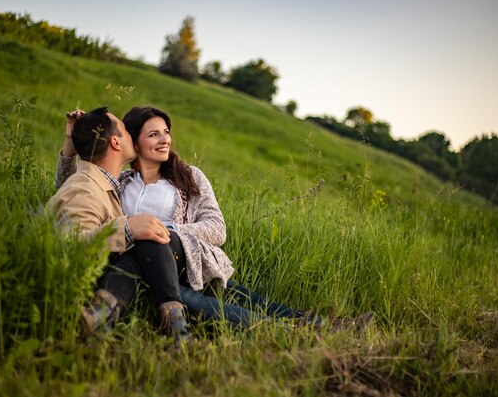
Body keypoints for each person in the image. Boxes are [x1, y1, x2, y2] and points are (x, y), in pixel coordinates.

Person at [57, 106, 374, 333]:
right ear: (132, 141)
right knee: (216, 302)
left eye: (166, 132)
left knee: (243, 297)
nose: (165, 139)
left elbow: (216, 229)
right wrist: (71, 148)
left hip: (191, 261)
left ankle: (319, 324)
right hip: (149, 270)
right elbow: (75, 189)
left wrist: (166, 232)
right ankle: (305, 330)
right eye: (153, 134)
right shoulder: (121, 181)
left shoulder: (188, 178)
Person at [47, 107, 192, 343]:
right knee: (202, 301)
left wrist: (72, 144)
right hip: (102, 277)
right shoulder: (85, 188)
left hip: (156, 264)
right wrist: (127, 228)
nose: (132, 137)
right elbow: (69, 243)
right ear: (115, 143)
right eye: (125, 131)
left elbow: (69, 188)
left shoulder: (105, 182)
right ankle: (177, 330)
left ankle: (103, 315)